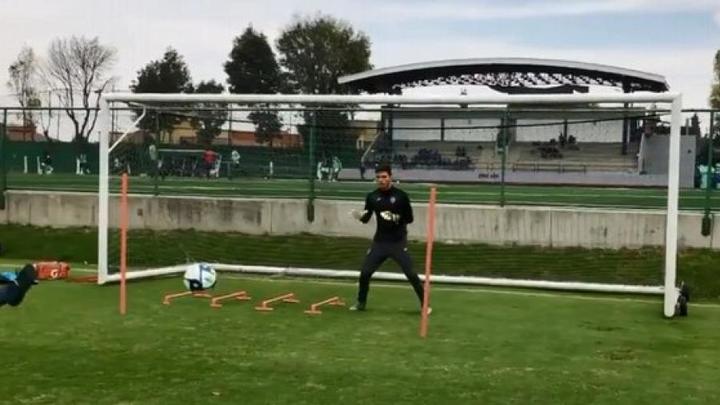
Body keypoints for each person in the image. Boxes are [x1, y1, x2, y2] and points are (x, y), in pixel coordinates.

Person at [348, 164, 428, 313]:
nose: (381, 180)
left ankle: (425, 305)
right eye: (378, 177)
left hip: (398, 242)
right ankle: (361, 303)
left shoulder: (401, 196)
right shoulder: (372, 197)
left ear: (390, 177)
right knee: (365, 273)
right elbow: (366, 218)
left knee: (410, 274)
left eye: (384, 177)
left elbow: (409, 219)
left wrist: (394, 217)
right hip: (380, 242)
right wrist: (359, 216)